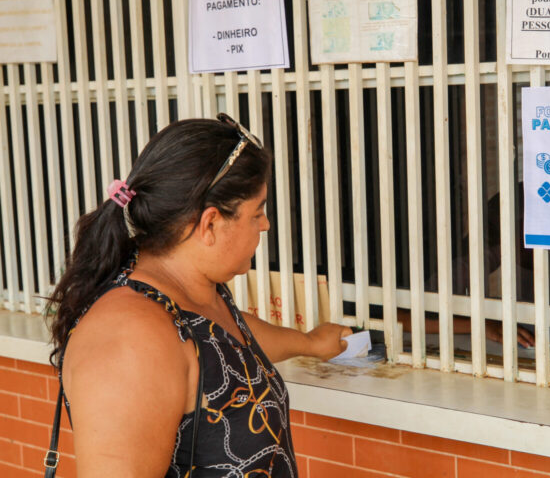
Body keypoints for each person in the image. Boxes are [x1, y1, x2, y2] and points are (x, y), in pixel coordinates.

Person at [46, 114, 351, 477]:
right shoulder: (130, 339)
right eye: (258, 212)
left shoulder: (193, 296)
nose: (265, 224)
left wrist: (309, 343)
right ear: (210, 224)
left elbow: (228, 343)